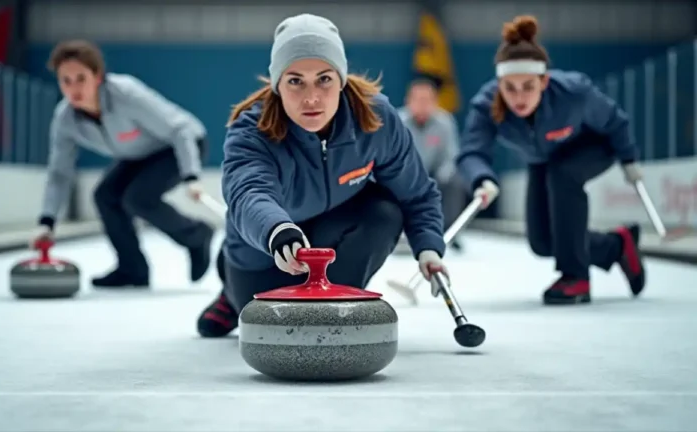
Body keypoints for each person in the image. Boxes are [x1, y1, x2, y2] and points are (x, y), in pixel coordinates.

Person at [196, 13, 449, 337]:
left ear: (341, 78)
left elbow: (415, 193)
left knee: (384, 211)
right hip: (269, 254)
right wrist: (276, 230)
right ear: (277, 85)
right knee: (267, 326)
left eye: (324, 79)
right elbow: (248, 192)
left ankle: (333, 310)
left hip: (330, 243)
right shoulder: (251, 130)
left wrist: (428, 246)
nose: (311, 97)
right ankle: (231, 298)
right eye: (295, 81)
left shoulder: (376, 119)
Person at [456, 15, 646, 305]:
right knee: (543, 242)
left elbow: (615, 121)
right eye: (510, 88)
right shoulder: (486, 105)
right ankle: (617, 245)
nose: (519, 97)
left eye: (528, 87)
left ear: (544, 81)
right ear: (499, 83)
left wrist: (629, 159)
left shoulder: (574, 93)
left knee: (563, 173)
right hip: (543, 157)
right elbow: (472, 151)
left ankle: (576, 277)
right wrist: (481, 178)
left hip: (594, 146)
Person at [31, 40, 214, 289]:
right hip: (138, 155)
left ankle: (197, 234)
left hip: (182, 144)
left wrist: (191, 175)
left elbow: (180, 130)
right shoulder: (65, 119)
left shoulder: (124, 93)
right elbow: (59, 173)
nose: (74, 88)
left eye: (80, 78)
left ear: (97, 77)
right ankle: (133, 269)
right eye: (66, 80)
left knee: (138, 198)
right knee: (105, 195)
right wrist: (47, 222)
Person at [398, 77, 466, 251]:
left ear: (435, 101)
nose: (422, 104)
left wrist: (440, 177)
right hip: (406, 175)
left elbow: (451, 156)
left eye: (427, 100)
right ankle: (398, 232)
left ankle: (450, 231)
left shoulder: (445, 122)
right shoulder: (398, 122)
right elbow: (392, 157)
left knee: (456, 180)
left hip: (436, 176)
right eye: (418, 100)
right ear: (408, 101)